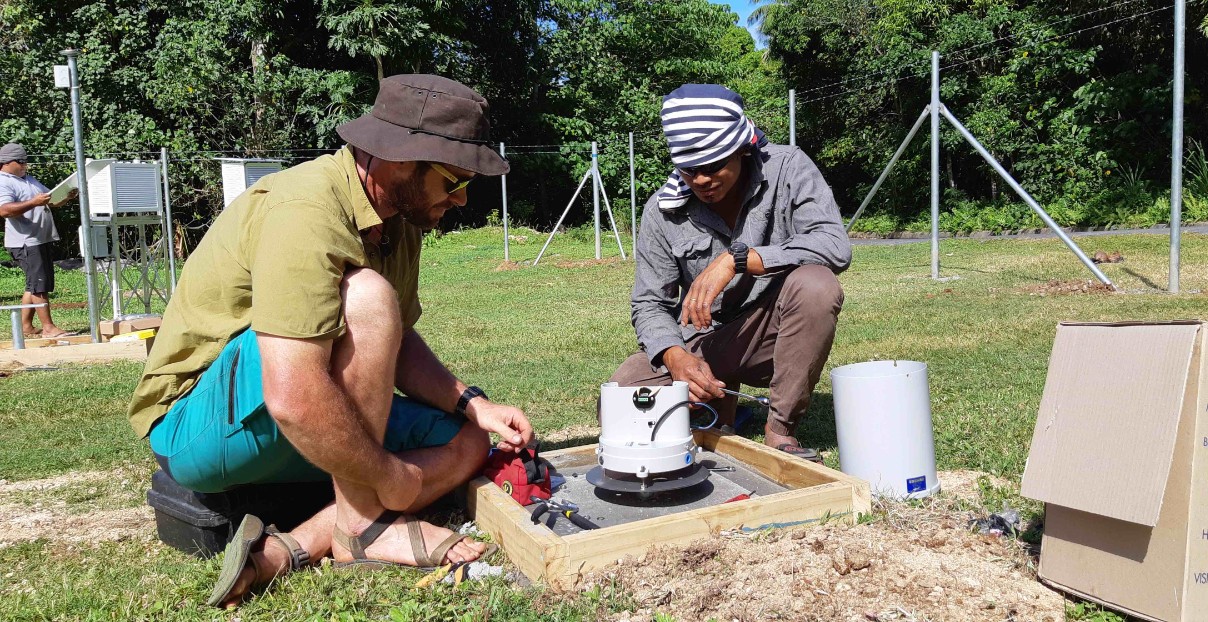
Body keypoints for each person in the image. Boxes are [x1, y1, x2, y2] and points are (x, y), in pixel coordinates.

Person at [126, 75, 534, 608]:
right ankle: (366, 524)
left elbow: (397, 337)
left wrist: (471, 403)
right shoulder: (305, 210)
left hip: (287, 410)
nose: (460, 199)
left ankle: (299, 544)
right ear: (398, 160)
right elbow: (294, 397)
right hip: (195, 426)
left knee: (471, 441)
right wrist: (395, 480)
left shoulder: (399, 217)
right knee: (366, 296)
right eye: (453, 179)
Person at [609, 84, 851, 463]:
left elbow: (834, 245)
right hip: (705, 342)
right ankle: (722, 406)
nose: (702, 180)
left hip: (777, 333)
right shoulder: (662, 210)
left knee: (817, 285)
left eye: (714, 165)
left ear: (742, 148)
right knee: (623, 396)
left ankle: (780, 430)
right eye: (689, 170)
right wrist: (675, 358)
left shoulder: (788, 168)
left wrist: (738, 259)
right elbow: (649, 303)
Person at [0, 142, 74, 338]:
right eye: (21, 161)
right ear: (7, 162)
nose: (25, 165)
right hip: (26, 242)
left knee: (33, 284)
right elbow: (4, 210)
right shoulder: (4, 182)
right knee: (39, 285)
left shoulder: (27, 179)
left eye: (26, 161)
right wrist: (34, 202)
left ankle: (26, 327)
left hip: (39, 239)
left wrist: (65, 197)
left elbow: (48, 199)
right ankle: (48, 328)